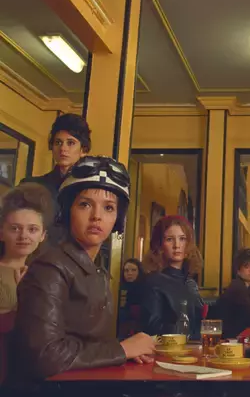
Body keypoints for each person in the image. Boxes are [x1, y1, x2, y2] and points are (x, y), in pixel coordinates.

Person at [14, 156, 155, 380]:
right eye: (85, 204)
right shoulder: (50, 267)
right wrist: (122, 349)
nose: (97, 216)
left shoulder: (98, 270)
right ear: (67, 210)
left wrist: (127, 351)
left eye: (108, 208)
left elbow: (93, 344)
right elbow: (46, 355)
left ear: (117, 219)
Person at [0, 184, 53, 384]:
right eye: (15, 228)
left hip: (32, 374)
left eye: (32, 229)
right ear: (1, 232)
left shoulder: (45, 275)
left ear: (42, 235)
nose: (24, 236)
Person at [21, 114, 92, 247]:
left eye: (70, 143)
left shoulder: (89, 189)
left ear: (83, 150)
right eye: (58, 142)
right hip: (37, 251)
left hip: (76, 252)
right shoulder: (31, 186)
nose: (63, 148)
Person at [141, 215, 204, 339]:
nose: (177, 245)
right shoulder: (153, 282)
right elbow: (152, 329)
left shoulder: (190, 283)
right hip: (167, 347)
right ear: (159, 245)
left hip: (195, 347)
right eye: (170, 239)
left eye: (182, 239)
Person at [117, 258, 145, 338]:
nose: (129, 273)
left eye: (133, 270)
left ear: (139, 272)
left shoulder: (144, 289)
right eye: (126, 270)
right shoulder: (119, 289)